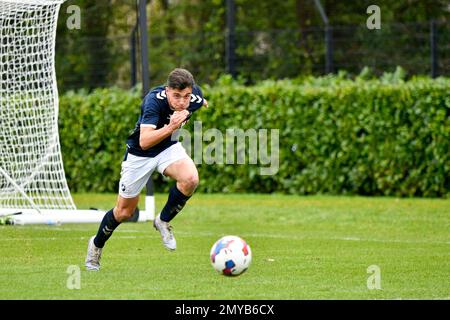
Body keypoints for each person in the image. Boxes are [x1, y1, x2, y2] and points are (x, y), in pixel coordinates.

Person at [85, 68, 208, 271]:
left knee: (191, 179)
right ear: (167, 90)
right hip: (139, 155)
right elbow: (144, 141)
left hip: (168, 148)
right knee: (124, 212)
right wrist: (171, 126)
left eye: (186, 96)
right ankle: (96, 245)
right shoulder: (153, 102)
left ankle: (162, 221)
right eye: (176, 96)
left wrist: (202, 103)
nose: (181, 102)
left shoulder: (193, 96)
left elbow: (199, 101)